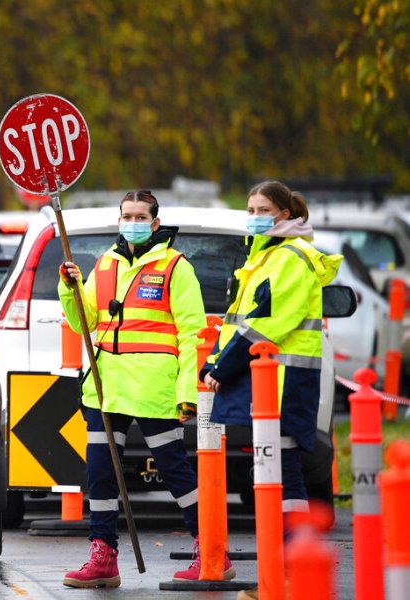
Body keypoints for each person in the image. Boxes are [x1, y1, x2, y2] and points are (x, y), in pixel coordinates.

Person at [58, 190, 232, 588]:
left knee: (175, 470)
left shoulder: (175, 267)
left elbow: (192, 333)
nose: (131, 222)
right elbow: (82, 320)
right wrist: (71, 287)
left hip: (154, 387)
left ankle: (213, 550)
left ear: (155, 222)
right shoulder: (105, 264)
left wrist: (187, 391)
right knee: (101, 473)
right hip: (106, 386)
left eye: (139, 216)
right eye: (126, 215)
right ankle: (103, 555)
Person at [200, 181, 341, 600]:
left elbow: (268, 325)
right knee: (276, 477)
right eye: (250, 208)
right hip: (267, 381)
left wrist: (222, 368)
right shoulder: (266, 256)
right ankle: (284, 574)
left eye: (263, 209)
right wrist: (214, 360)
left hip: (281, 382)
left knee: (285, 476)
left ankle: (291, 574)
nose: (255, 216)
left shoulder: (291, 260)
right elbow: (239, 322)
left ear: (285, 214)